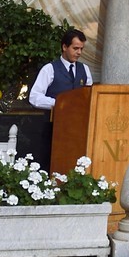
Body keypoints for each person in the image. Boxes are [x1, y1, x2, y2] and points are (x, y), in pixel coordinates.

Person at [28, 29, 95, 168]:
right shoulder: (49, 69)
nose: (79, 52)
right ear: (64, 47)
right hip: (54, 127)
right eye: (75, 48)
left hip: (78, 128)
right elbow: (34, 97)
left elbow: (89, 96)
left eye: (81, 49)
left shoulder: (85, 69)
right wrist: (60, 104)